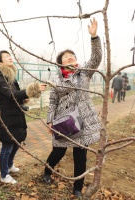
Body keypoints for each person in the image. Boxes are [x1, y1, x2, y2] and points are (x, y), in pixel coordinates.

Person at [43, 18, 102, 198]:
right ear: (60, 62)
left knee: (80, 156)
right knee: (58, 152)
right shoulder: (56, 80)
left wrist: (94, 37)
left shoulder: (84, 72)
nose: (70, 57)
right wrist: (50, 121)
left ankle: (77, 188)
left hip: (82, 121)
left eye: (73, 56)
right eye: (66, 56)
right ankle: (47, 171)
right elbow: (53, 101)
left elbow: (96, 58)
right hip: (63, 122)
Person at [0, 50, 47, 184]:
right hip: (6, 116)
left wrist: (24, 99)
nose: (10, 58)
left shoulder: (10, 76)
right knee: (7, 146)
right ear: (0, 62)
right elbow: (10, 94)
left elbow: (16, 94)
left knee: (17, 142)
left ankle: (9, 166)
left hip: (15, 114)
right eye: (6, 57)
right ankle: (4, 175)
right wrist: (33, 88)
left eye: (10, 56)